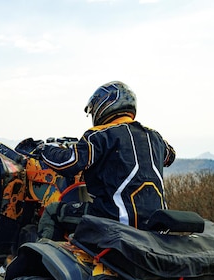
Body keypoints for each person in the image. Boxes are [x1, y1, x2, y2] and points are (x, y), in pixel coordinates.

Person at [38, 81, 176, 239]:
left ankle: (37, 262)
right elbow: (170, 156)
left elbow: (68, 163)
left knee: (53, 211)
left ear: (103, 104)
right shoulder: (155, 136)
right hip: (154, 224)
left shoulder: (99, 135)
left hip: (114, 220)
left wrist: (44, 149)